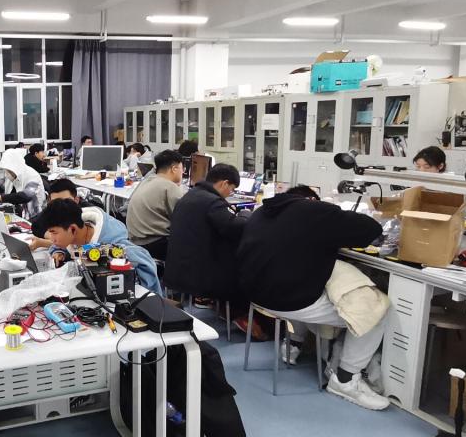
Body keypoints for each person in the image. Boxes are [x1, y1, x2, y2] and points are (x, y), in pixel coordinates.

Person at [237, 185, 388, 410]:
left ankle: (293, 345)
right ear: (312, 199)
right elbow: (371, 229)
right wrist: (333, 213)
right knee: (376, 311)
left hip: (255, 295)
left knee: (303, 278)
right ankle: (345, 379)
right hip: (287, 300)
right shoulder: (315, 211)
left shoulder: (262, 211)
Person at [164, 163, 258, 336]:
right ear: (224, 183)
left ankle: (225, 310)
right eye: (231, 189)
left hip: (177, 268)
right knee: (246, 272)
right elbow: (234, 227)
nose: (230, 194)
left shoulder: (191, 195)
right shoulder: (212, 202)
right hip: (198, 274)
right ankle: (240, 317)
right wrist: (245, 214)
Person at [39, 199, 163, 295]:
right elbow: (66, 246)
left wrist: (151, 299)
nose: (51, 238)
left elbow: (145, 261)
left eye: (54, 232)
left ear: (73, 229)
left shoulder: (112, 244)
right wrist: (58, 251)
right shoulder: (73, 233)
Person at [126, 150, 185, 260]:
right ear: (174, 169)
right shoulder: (170, 187)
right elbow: (182, 220)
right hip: (154, 245)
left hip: (135, 242)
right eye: (182, 169)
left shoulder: (148, 180)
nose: (183, 172)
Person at [0, 147, 47, 217]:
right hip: (19, 212)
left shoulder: (32, 175)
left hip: (35, 215)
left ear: (15, 167)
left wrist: (0, 198)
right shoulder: (12, 174)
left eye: (9, 170)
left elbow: (26, 195)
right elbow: (0, 183)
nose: (7, 173)